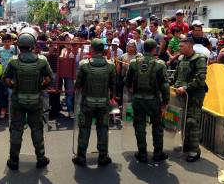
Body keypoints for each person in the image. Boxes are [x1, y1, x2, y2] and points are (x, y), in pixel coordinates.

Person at [3, 28, 53, 170]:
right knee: (37, 129)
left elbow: (5, 79)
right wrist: (41, 86)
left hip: (18, 100)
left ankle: (13, 160)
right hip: (35, 100)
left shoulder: (13, 61)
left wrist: (14, 86)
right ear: (33, 45)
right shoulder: (41, 61)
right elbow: (50, 78)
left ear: (19, 46)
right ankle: (41, 158)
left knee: (16, 130)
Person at [72, 38, 116, 167]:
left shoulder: (84, 64)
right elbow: (113, 85)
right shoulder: (111, 65)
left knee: (84, 128)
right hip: (103, 102)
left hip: (87, 102)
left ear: (91, 49)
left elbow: (78, 84)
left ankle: (81, 156)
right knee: (103, 128)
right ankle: (103, 156)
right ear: (103, 50)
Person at [124, 39, 170, 163]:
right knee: (157, 126)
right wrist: (165, 102)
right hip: (154, 100)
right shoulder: (160, 64)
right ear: (154, 49)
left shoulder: (134, 63)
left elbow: (127, 82)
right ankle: (158, 153)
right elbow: (165, 86)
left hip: (138, 99)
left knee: (139, 126)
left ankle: (142, 153)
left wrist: (133, 92)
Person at [174, 38, 207, 162]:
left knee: (192, 122)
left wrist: (186, 87)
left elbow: (200, 79)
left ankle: (194, 151)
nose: (179, 48)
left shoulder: (200, 59)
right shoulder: (181, 59)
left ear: (189, 46)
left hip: (194, 96)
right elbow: (176, 75)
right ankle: (186, 145)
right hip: (181, 95)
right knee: (183, 121)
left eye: (181, 46)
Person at [0, 34, 16, 118]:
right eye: (5, 42)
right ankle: (3, 110)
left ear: (11, 41)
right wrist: (0, 61)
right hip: (1, 75)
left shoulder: (14, 48)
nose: (7, 43)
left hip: (11, 75)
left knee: (10, 93)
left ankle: (11, 110)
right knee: (1, 93)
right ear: (2, 42)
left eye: (8, 41)